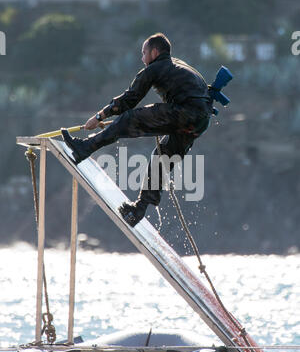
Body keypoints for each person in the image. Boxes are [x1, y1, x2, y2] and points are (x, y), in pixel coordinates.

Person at [61, 33, 213, 227]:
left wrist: (100, 116)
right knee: (161, 157)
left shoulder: (156, 68)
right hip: (200, 122)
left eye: (144, 53)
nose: (142, 58)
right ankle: (139, 209)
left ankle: (85, 147)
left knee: (129, 119)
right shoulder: (180, 66)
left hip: (185, 114)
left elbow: (130, 99)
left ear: (155, 52)